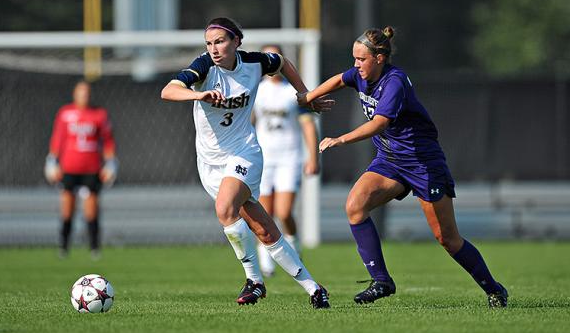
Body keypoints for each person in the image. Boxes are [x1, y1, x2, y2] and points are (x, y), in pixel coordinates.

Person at [297, 26, 508, 308]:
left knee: (447, 239)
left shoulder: (394, 81)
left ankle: (494, 289)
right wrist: (308, 97)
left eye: (361, 59)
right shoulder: (360, 75)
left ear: (380, 58)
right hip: (390, 160)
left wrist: (340, 139)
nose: (356, 65)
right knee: (355, 206)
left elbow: (380, 123)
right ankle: (381, 281)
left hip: (422, 163)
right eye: (354, 58)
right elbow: (338, 79)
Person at [160, 17, 333, 308]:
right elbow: (168, 90)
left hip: (244, 152)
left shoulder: (254, 63)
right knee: (262, 229)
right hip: (209, 162)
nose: (214, 49)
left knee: (225, 208)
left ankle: (254, 281)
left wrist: (304, 95)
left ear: (236, 41)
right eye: (209, 43)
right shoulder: (203, 67)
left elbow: (282, 62)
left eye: (220, 41)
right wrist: (198, 93)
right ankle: (314, 288)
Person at [253, 45, 320, 277]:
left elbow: (308, 125)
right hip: (263, 157)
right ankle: (266, 260)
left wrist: (313, 157)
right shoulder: (256, 90)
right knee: (264, 211)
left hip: (289, 157)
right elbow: (249, 121)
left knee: (284, 211)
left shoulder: (292, 91)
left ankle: (294, 245)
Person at [45, 81, 118, 260]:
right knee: (67, 209)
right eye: (81, 92)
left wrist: (111, 163)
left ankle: (94, 248)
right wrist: (51, 161)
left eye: (87, 92)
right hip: (69, 167)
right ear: (74, 94)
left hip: (91, 168)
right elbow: (57, 138)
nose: (84, 96)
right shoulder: (65, 113)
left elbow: (108, 140)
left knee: (91, 210)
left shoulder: (99, 114)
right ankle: (64, 246)